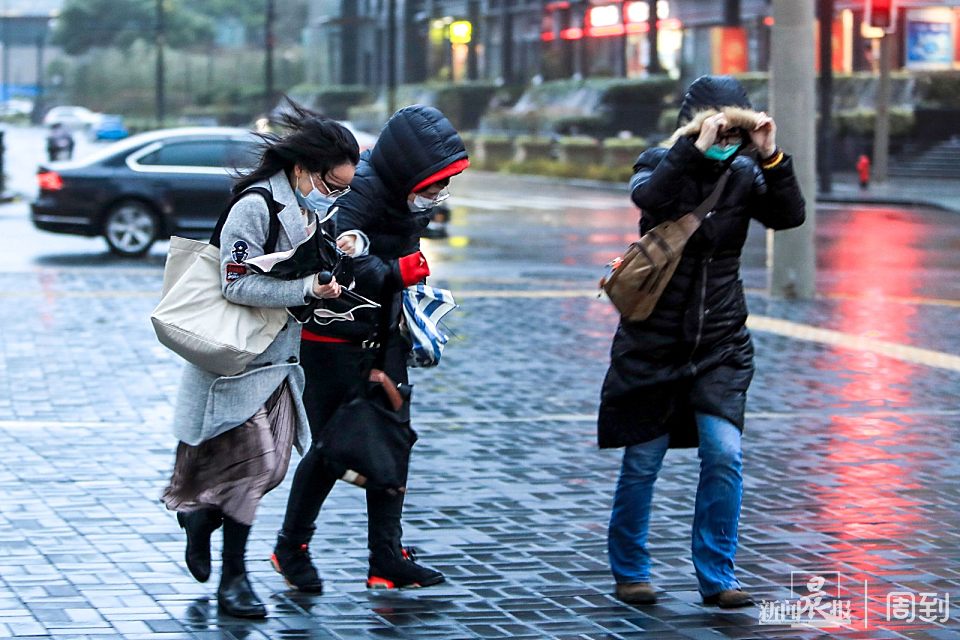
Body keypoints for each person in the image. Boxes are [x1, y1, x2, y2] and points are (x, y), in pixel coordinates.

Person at [598, 76, 805, 609]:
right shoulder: (659, 160)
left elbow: (789, 216)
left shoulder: (747, 171)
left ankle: (718, 573)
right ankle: (631, 568)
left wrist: (771, 155)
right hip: (654, 341)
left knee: (724, 452)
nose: (726, 137)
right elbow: (653, 197)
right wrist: (694, 151)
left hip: (720, 340)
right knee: (644, 458)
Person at [160, 102, 359, 618]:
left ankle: (202, 519)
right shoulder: (256, 204)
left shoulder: (307, 206)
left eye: (343, 189)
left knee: (267, 471)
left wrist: (330, 271)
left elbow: (295, 272)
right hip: (240, 360)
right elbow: (235, 282)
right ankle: (234, 580)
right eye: (331, 185)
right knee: (255, 469)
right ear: (302, 168)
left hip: (277, 361)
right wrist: (307, 286)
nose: (334, 195)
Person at [271, 104, 469, 592]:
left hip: (382, 337)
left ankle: (386, 557)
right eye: (434, 185)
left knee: (393, 441)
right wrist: (395, 274)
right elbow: (338, 254)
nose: (437, 196)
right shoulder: (359, 192)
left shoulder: (402, 194)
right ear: (410, 171)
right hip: (332, 342)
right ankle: (290, 546)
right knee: (335, 446)